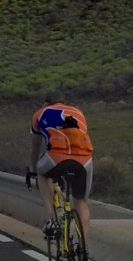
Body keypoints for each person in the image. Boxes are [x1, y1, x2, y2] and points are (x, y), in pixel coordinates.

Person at [28, 101, 93, 250]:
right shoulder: (78, 112)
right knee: (81, 202)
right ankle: (82, 248)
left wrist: (33, 168)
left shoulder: (40, 113)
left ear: (45, 103)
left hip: (55, 157)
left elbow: (35, 147)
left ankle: (50, 218)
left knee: (42, 173)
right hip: (84, 160)